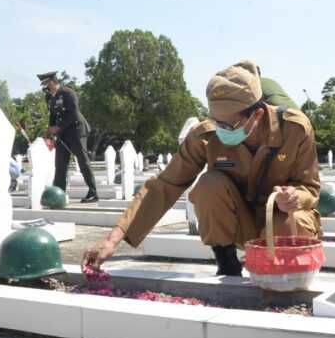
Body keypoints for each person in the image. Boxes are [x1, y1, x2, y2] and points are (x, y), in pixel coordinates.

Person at [83, 61, 321, 276]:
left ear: (257, 114)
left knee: (294, 221)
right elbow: (165, 185)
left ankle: (285, 277)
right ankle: (227, 263)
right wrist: (112, 240)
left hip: (282, 224)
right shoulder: (206, 136)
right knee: (209, 184)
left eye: (229, 124)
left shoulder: (294, 129)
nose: (221, 130)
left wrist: (296, 197)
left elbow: (310, 187)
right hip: (240, 223)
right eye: (217, 122)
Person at [37, 71, 98, 203]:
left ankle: (93, 192)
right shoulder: (51, 97)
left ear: (52, 82)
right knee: (60, 165)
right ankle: (59, 194)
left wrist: (58, 127)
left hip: (76, 130)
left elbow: (74, 114)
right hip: (62, 134)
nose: (45, 87)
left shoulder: (68, 93)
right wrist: (51, 130)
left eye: (46, 84)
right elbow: (53, 116)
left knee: (83, 161)